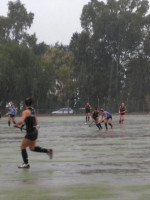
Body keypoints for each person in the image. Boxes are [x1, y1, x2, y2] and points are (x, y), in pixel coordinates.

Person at [14, 97, 53, 168]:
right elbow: (36, 122)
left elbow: (21, 121)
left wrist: (16, 124)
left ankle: (26, 164)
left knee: (23, 147)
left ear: (25, 103)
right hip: (35, 132)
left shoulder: (25, 112)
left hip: (30, 133)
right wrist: (25, 125)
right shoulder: (33, 110)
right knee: (32, 148)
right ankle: (47, 151)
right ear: (31, 104)